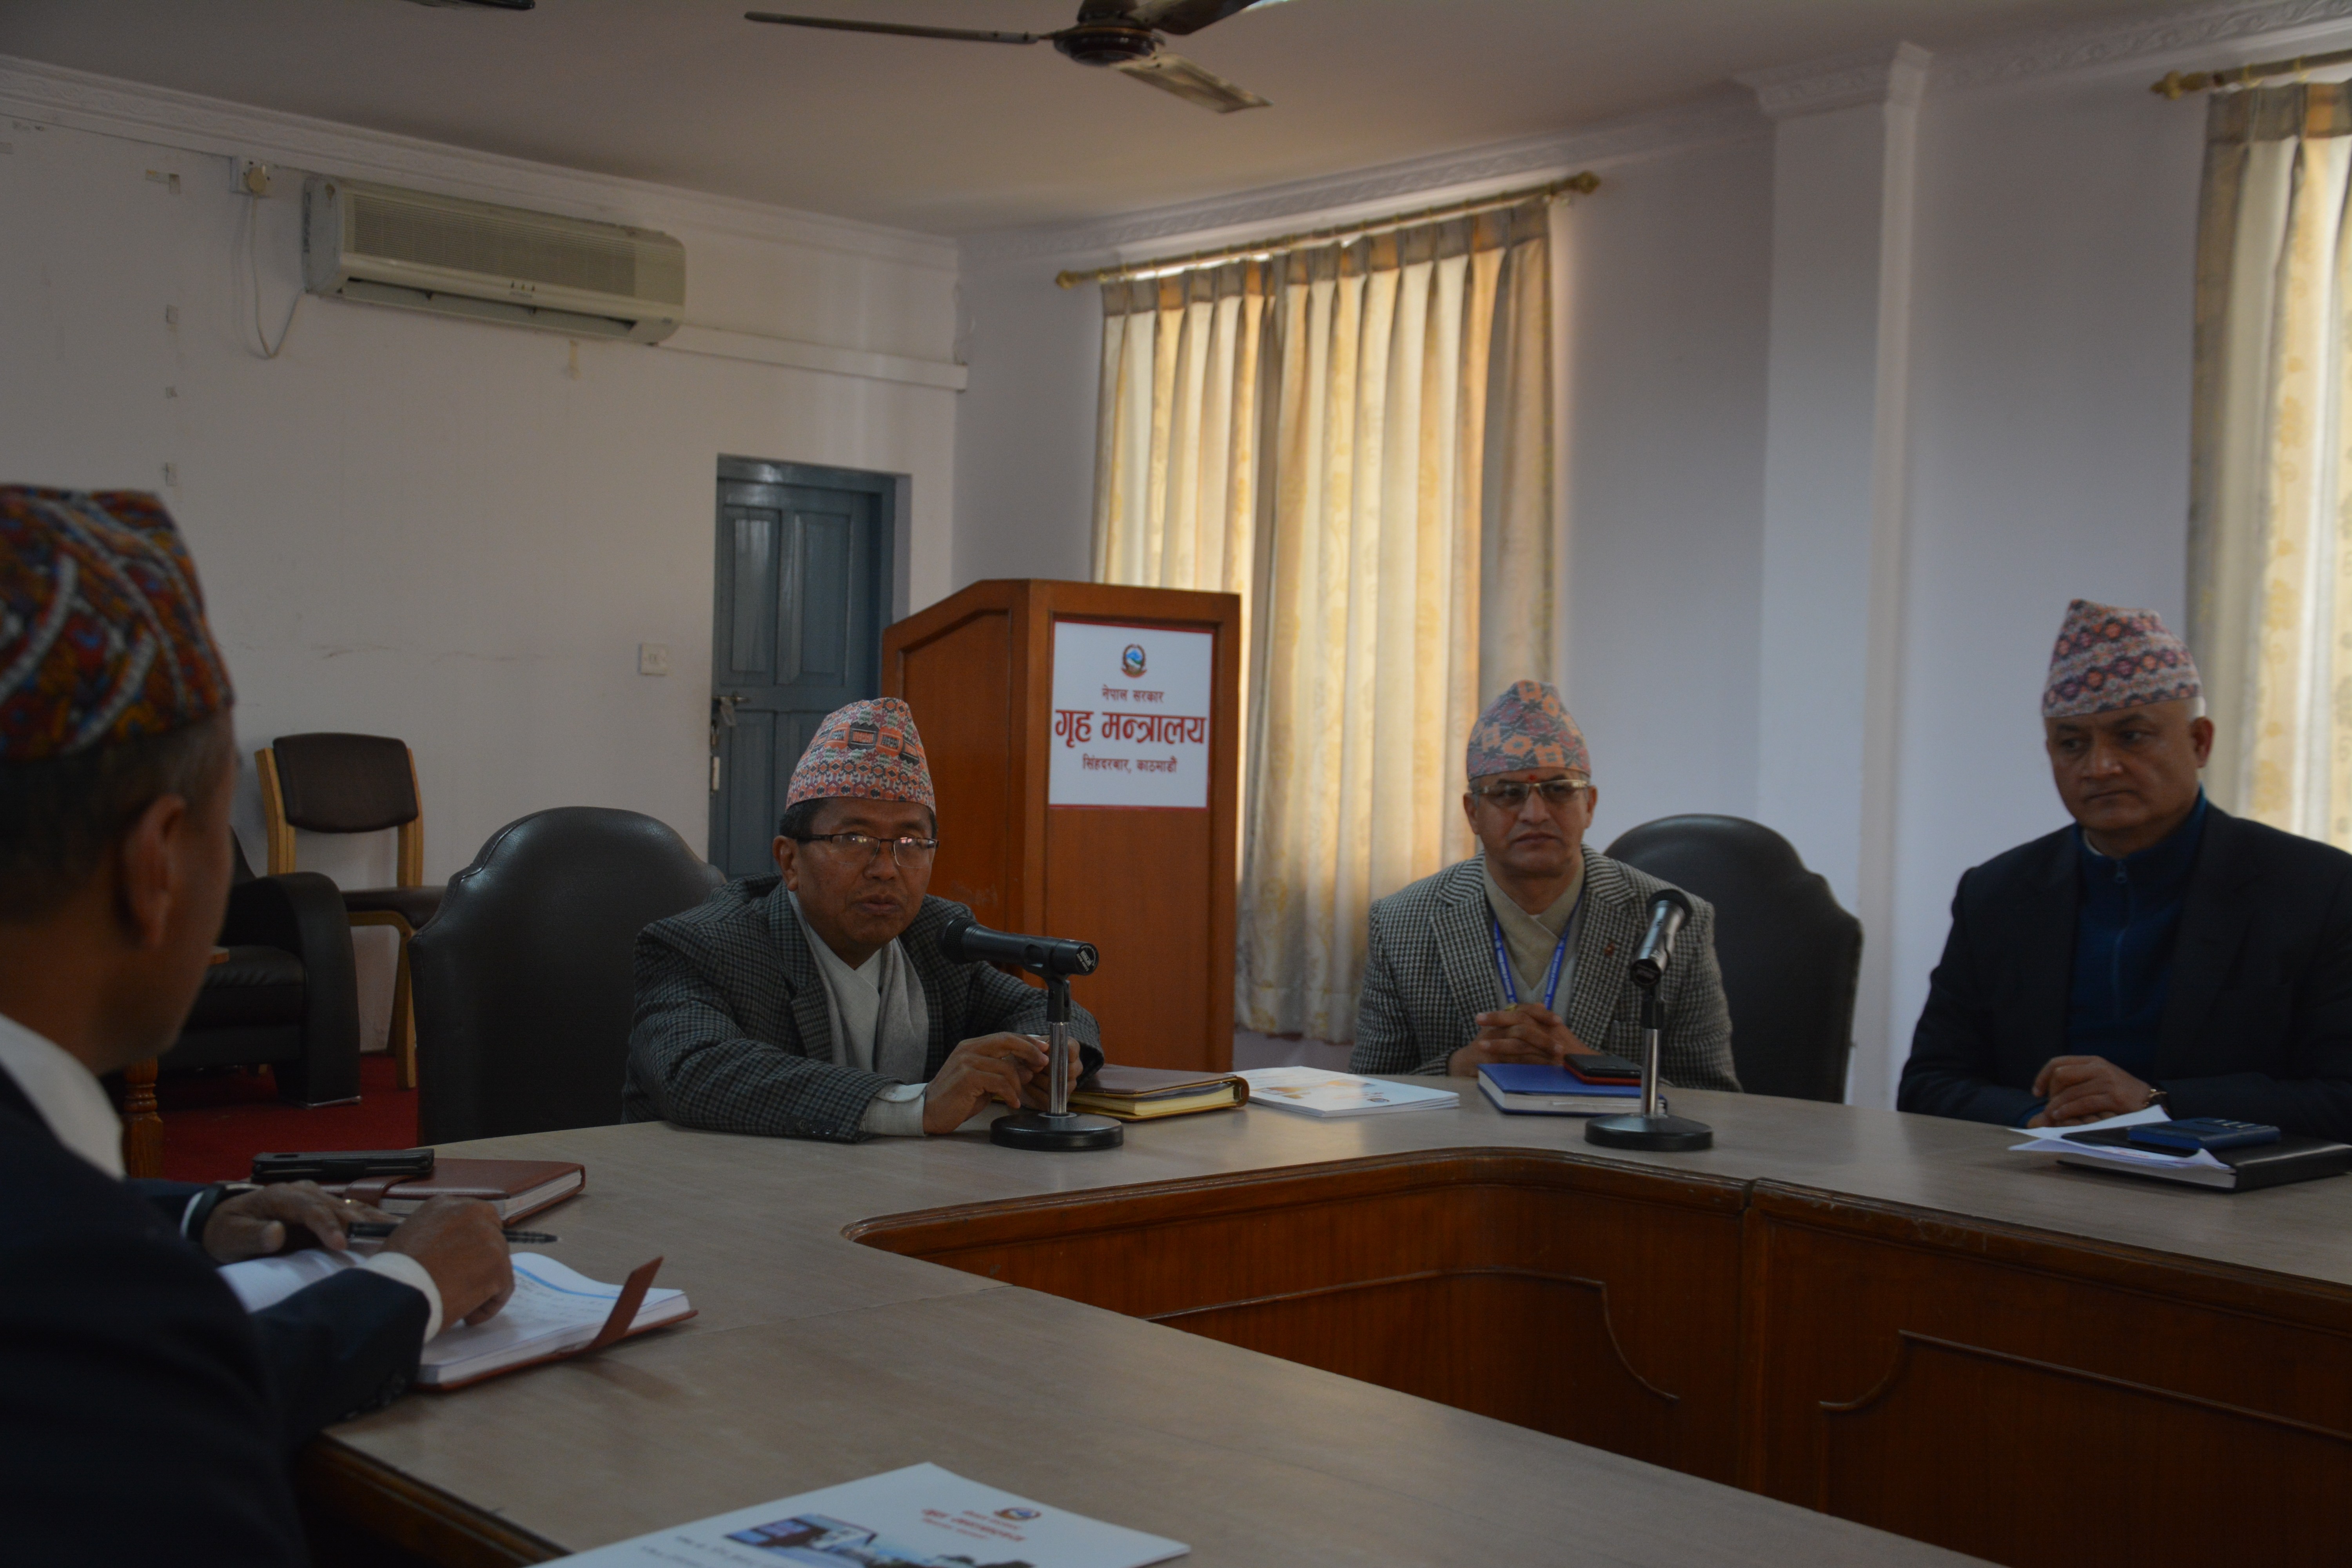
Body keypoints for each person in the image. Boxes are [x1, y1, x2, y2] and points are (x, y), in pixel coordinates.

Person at [0, 486, 514, 1563]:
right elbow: (144, 1394)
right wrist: (406, 1287)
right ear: (157, 863)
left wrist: (199, 1213)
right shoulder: (84, 1292)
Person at [1899, 599, 2352, 1136]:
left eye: (2131, 737)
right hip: (2037, 1177)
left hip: (2231, 1183)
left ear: (2200, 741)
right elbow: (1928, 1083)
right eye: (2073, 744)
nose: (2100, 767)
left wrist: (2158, 1104)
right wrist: (2040, 1118)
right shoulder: (1996, 893)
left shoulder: (2317, 889)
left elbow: (2342, 1096)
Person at [624, 697, 1102, 1141]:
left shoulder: (937, 935)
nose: (886, 869)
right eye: (853, 839)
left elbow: (1045, 1010)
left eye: (910, 843)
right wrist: (915, 1106)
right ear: (789, 861)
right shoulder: (705, 944)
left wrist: (1044, 1058)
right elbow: (693, 1068)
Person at [1349, 680, 1740, 1089]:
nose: (1535, 814)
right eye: (1508, 793)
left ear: (1589, 805)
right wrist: (1457, 1070)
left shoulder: (1669, 922)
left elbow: (1715, 1100)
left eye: (1558, 790)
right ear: (1473, 813)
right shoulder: (1402, 923)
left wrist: (1588, 1066)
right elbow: (1370, 1092)